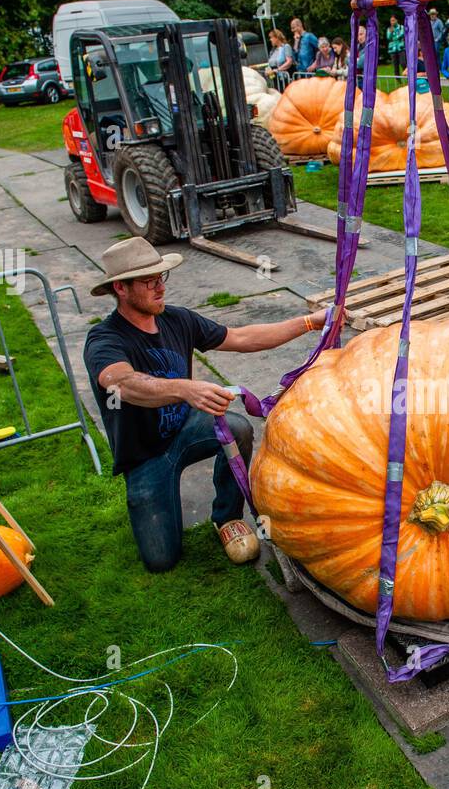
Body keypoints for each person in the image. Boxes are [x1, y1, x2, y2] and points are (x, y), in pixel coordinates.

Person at [83, 238, 330, 572]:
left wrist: (310, 322)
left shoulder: (178, 319)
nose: (160, 287)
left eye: (161, 277)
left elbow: (241, 338)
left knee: (239, 428)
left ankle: (227, 516)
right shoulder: (104, 339)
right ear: (120, 289)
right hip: (144, 456)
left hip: (186, 429)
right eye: (148, 281)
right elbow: (119, 382)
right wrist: (185, 389)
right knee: (161, 560)